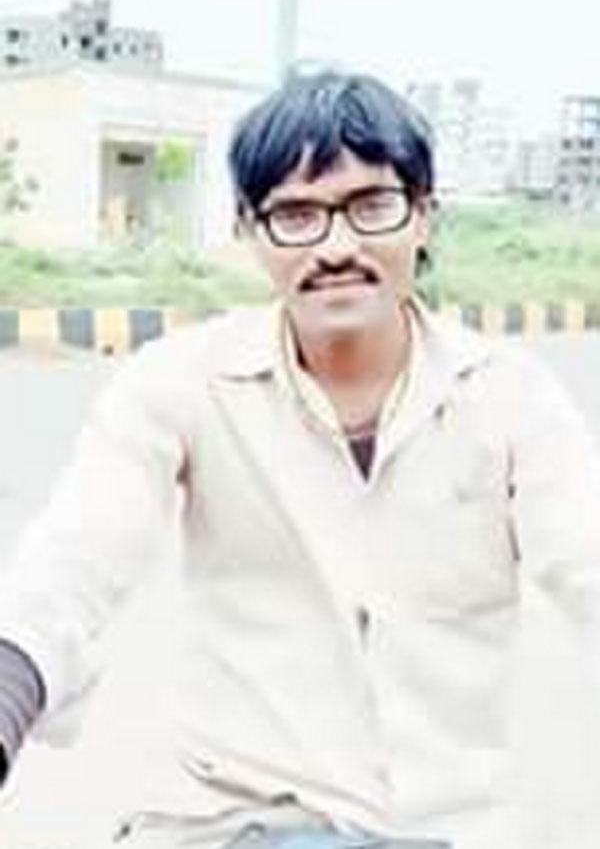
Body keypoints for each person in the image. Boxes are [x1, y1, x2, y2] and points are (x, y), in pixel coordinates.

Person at [0, 70, 599, 849]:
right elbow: (70, 567)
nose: (337, 248)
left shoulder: (510, 397)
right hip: (233, 821)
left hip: (448, 827)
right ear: (249, 231)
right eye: (296, 215)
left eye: (371, 206)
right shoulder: (179, 383)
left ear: (424, 215)